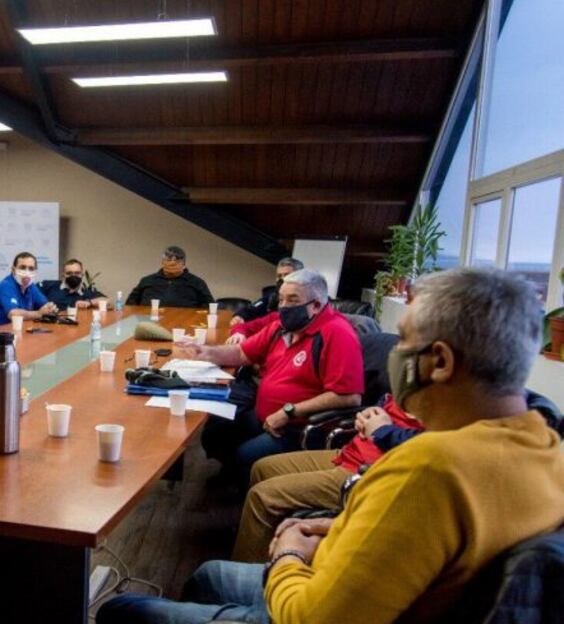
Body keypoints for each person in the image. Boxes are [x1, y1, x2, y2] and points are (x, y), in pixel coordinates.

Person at [98, 267, 564, 624]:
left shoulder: (430, 469)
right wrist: (344, 529)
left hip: (307, 604)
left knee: (123, 611)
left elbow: (311, 618)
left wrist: (287, 554)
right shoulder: (545, 444)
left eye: (404, 342)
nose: (394, 354)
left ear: (439, 362)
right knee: (206, 576)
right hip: (359, 579)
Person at [192, 270, 363, 484]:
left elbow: (348, 396)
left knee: (246, 456)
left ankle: (255, 495)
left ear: (317, 305)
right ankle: (235, 478)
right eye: (281, 299)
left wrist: (289, 412)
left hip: (299, 427)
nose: (283, 306)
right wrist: (205, 352)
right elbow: (243, 353)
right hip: (265, 416)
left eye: (292, 300)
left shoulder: (338, 334)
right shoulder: (283, 327)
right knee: (216, 431)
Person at [233, 394, 423, 562]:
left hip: (370, 474)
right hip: (349, 453)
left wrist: (382, 430)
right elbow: (387, 404)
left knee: (262, 497)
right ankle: (266, 552)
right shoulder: (417, 378)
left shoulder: (449, 407)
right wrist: (370, 414)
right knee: (262, 468)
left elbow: (425, 446)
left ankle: (250, 578)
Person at [0, 251, 57, 328]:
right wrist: (38, 314)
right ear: (13, 270)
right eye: (23, 267)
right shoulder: (6, 285)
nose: (27, 272)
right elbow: (13, 314)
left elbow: (45, 305)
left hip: (16, 331)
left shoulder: (31, 286)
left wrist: (50, 308)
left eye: (31, 268)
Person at [126, 246, 214, 308]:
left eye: (177, 262)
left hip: (184, 323)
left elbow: (210, 307)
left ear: (184, 264)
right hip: (149, 321)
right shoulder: (147, 281)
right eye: (168, 260)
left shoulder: (197, 282)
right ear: (162, 262)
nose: (172, 263)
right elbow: (130, 304)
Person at [230, 257, 304, 328]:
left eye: (286, 275)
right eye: (279, 276)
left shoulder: (305, 299)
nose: (281, 279)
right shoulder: (272, 295)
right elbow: (252, 309)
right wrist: (239, 316)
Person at [38, 258, 108, 310]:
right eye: (69, 273)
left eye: (77, 273)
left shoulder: (87, 292)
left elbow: (109, 302)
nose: (73, 276)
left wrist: (89, 302)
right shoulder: (49, 285)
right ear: (63, 275)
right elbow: (29, 291)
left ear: (82, 275)